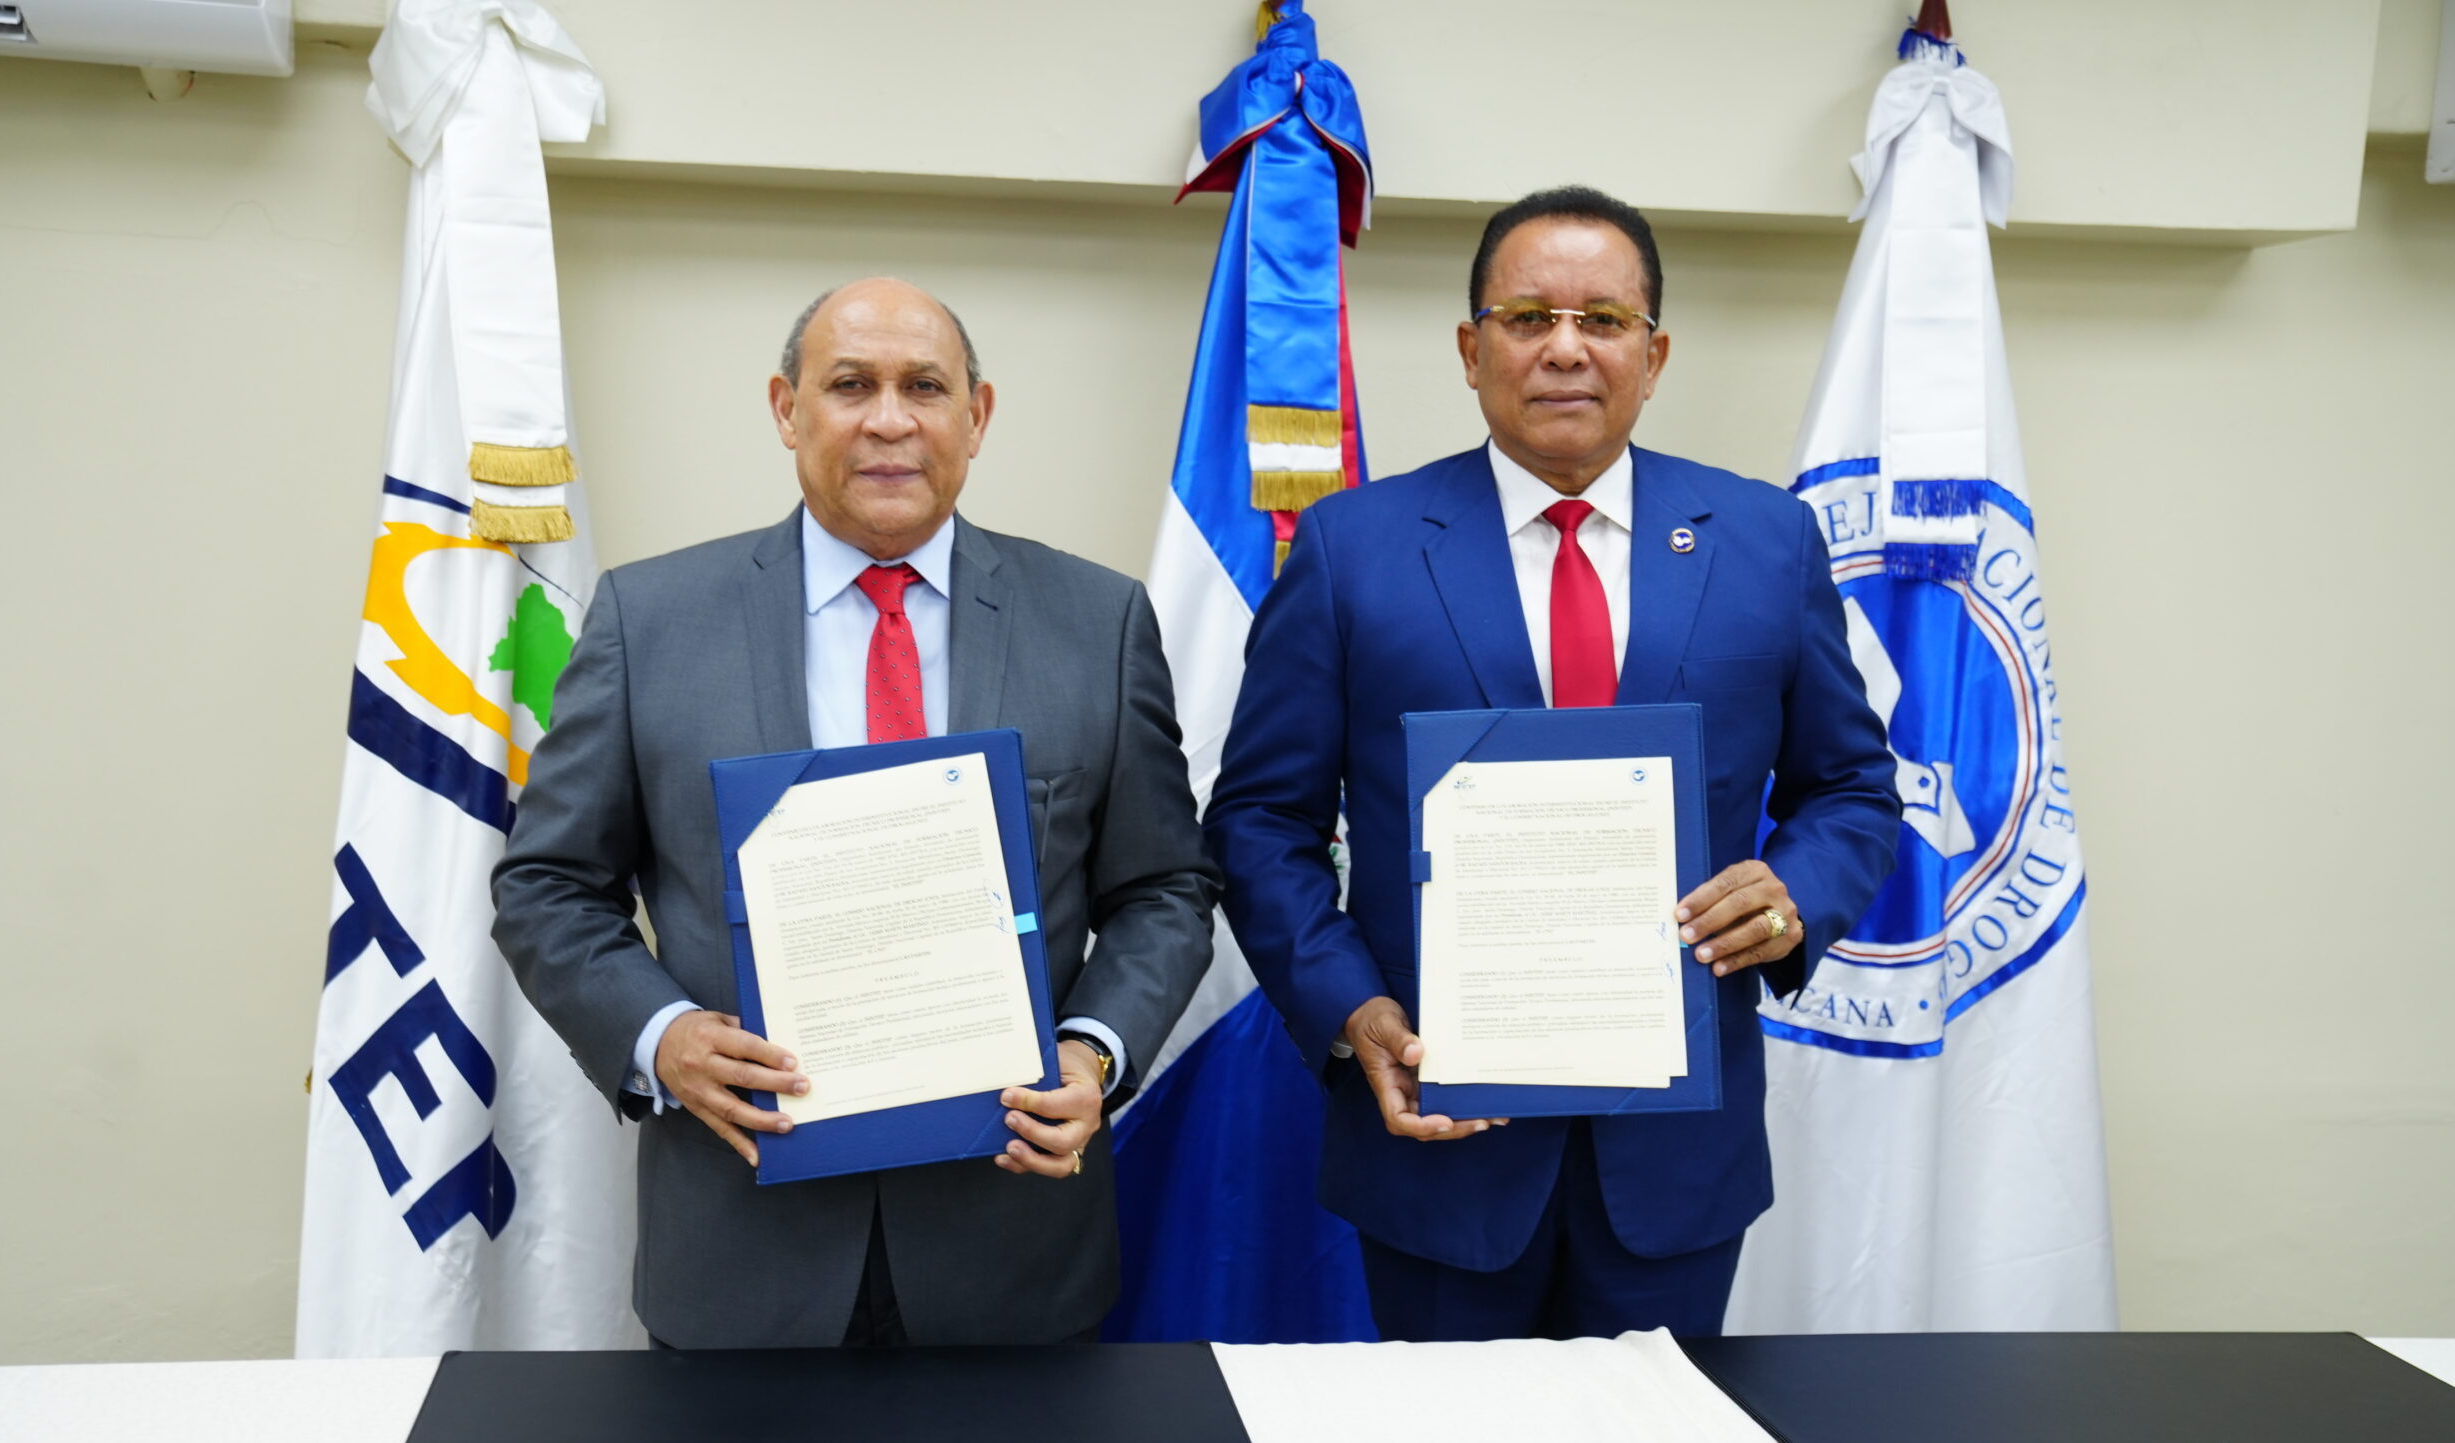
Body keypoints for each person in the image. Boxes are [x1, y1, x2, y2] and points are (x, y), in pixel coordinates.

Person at [1205, 187, 1900, 1342]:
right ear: (1470, 349)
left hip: (1675, 1161)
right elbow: (1260, 821)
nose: (1565, 349)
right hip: (1439, 1144)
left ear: (1653, 355)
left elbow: (1853, 790)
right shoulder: (1352, 549)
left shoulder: (1765, 542)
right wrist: (1348, 1008)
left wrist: (1793, 895)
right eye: (1527, 318)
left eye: (1603, 320)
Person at [493, 277, 1215, 1349]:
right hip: (740, 1256)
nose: (889, 419)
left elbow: (1164, 889)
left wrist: (1093, 1051)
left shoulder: (1097, 622)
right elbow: (546, 886)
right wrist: (662, 1038)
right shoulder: (650, 621)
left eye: (924, 386)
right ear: (786, 410)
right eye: (849, 385)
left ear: (977, 416)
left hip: (1014, 1254)